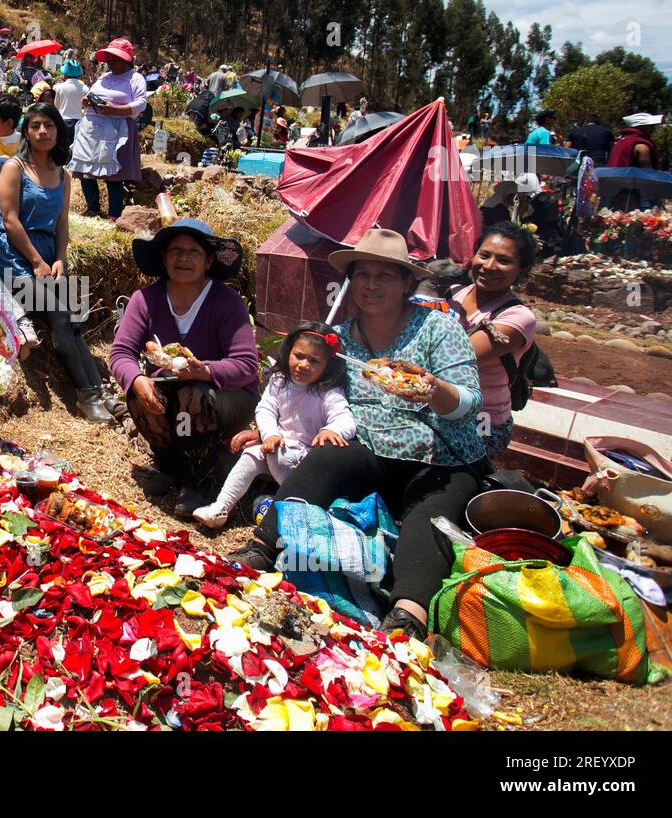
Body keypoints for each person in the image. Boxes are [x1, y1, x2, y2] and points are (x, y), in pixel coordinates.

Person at [230, 229, 486, 641]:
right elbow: (299, 391)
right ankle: (263, 545)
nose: (370, 285)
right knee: (326, 460)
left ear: (406, 283)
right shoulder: (341, 339)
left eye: (384, 276)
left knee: (429, 517)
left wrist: (434, 389)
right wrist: (261, 427)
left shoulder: (438, 329)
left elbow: (470, 402)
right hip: (371, 449)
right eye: (362, 274)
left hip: (441, 456)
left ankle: (408, 613)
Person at [109, 219, 259, 511]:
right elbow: (121, 353)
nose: (183, 258)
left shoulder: (225, 302)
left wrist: (206, 371)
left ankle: (201, 478)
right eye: (176, 250)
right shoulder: (145, 299)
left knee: (193, 395)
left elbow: (246, 365)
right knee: (138, 397)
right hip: (173, 392)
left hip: (225, 397)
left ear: (209, 261)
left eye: (193, 252)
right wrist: (137, 380)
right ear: (164, 258)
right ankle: (170, 464)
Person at [0, 103, 117, 420]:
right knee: (60, 315)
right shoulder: (14, 167)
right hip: (13, 256)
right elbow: (10, 219)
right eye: (35, 126)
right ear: (26, 132)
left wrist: (59, 259)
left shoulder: (63, 174)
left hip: (47, 256)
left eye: (49, 125)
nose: (43, 131)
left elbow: (62, 225)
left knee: (74, 316)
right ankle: (86, 398)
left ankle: (102, 393)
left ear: (59, 130)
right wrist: (36, 261)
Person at [193, 322, 354, 529]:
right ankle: (221, 506)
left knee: (278, 455)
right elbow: (265, 409)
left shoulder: (328, 393)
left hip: (305, 458)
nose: (303, 365)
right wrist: (270, 433)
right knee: (250, 455)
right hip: (276, 445)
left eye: (314, 361)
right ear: (289, 352)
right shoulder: (280, 381)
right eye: (299, 356)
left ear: (327, 365)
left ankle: (295, 508)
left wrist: (331, 429)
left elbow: (346, 420)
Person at [448, 223, 538, 460]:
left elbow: (456, 355)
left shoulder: (518, 318)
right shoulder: (453, 294)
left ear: (521, 270)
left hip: (482, 424)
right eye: (484, 255)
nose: (489, 266)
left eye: (504, 260)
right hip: (439, 408)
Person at [77, 38, 147, 220]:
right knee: (86, 172)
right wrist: (86, 100)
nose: (112, 63)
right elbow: (90, 94)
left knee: (114, 175)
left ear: (127, 61)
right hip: (93, 129)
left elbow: (141, 103)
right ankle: (92, 208)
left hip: (118, 129)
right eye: (110, 59)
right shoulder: (104, 77)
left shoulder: (135, 78)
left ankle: (114, 214)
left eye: (116, 60)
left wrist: (116, 110)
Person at [54, 59, 88, 137]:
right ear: (79, 75)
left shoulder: (59, 87)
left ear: (65, 74)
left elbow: (56, 106)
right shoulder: (85, 88)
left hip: (63, 121)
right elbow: (86, 108)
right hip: (79, 122)